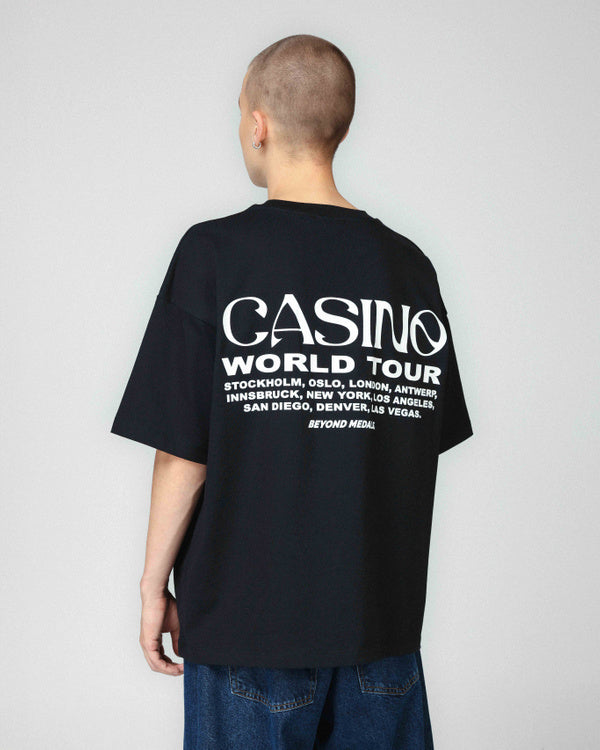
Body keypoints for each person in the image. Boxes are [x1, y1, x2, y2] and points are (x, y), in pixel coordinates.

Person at [110, 33, 473, 750]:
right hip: (381, 630)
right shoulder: (410, 269)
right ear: (341, 124)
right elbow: (416, 439)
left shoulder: (214, 254)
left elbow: (183, 450)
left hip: (247, 630)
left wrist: (152, 588)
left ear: (258, 125)